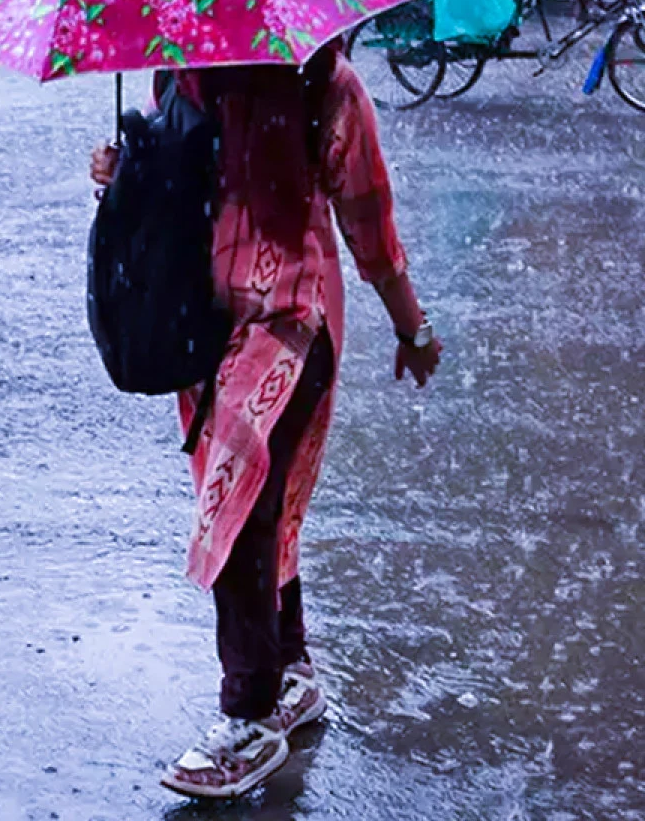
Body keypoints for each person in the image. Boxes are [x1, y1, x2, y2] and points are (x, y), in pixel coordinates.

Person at [88, 42, 443, 799]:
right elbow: (171, 185)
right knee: (263, 505)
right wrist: (126, 176)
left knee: (243, 502)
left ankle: (248, 710)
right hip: (204, 325)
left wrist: (412, 329)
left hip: (294, 322)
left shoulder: (331, 91)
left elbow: (371, 225)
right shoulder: (185, 76)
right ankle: (293, 665)